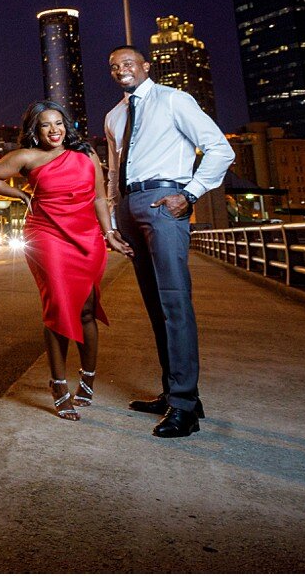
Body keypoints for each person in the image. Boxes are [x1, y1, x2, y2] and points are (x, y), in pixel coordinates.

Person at [104, 45, 235, 439]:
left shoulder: (174, 100)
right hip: (129, 205)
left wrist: (190, 193)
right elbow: (112, 172)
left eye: (128, 63)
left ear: (145, 66)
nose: (121, 70)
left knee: (174, 301)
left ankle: (185, 406)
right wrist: (112, 222)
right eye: (113, 67)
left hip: (165, 201)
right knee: (155, 305)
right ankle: (173, 393)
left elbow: (219, 149)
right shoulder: (114, 115)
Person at [0, 100, 130, 422]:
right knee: (59, 308)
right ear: (36, 130)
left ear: (67, 125)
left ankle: (88, 377)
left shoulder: (86, 155)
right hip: (47, 235)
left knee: (88, 308)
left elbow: (99, 198)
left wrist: (110, 233)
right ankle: (59, 384)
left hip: (86, 236)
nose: (54, 130)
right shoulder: (26, 157)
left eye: (58, 123)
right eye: (46, 125)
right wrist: (22, 195)